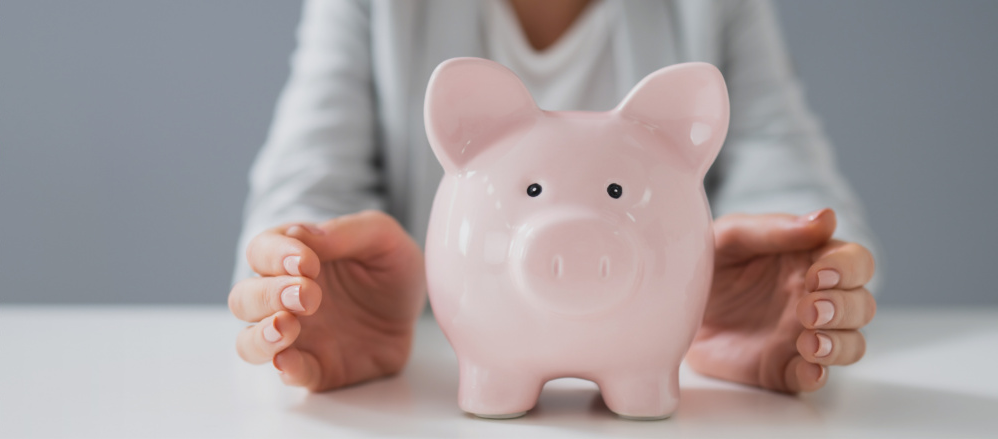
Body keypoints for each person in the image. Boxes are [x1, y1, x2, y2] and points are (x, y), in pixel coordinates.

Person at [228, 0, 880, 395]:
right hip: (440, 350)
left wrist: (787, 274)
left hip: (666, 338)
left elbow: (792, 180)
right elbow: (303, 192)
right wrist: (314, 275)